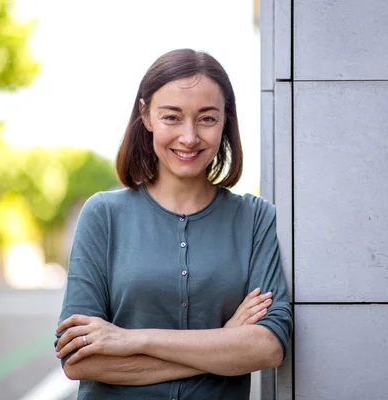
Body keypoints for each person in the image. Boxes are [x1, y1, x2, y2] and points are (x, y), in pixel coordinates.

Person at [54, 48, 292, 399]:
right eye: (172, 117)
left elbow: (268, 347)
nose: (189, 137)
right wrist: (224, 344)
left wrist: (131, 340)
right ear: (146, 115)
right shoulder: (103, 214)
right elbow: (79, 359)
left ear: (226, 120)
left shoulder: (257, 219)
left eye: (207, 119)